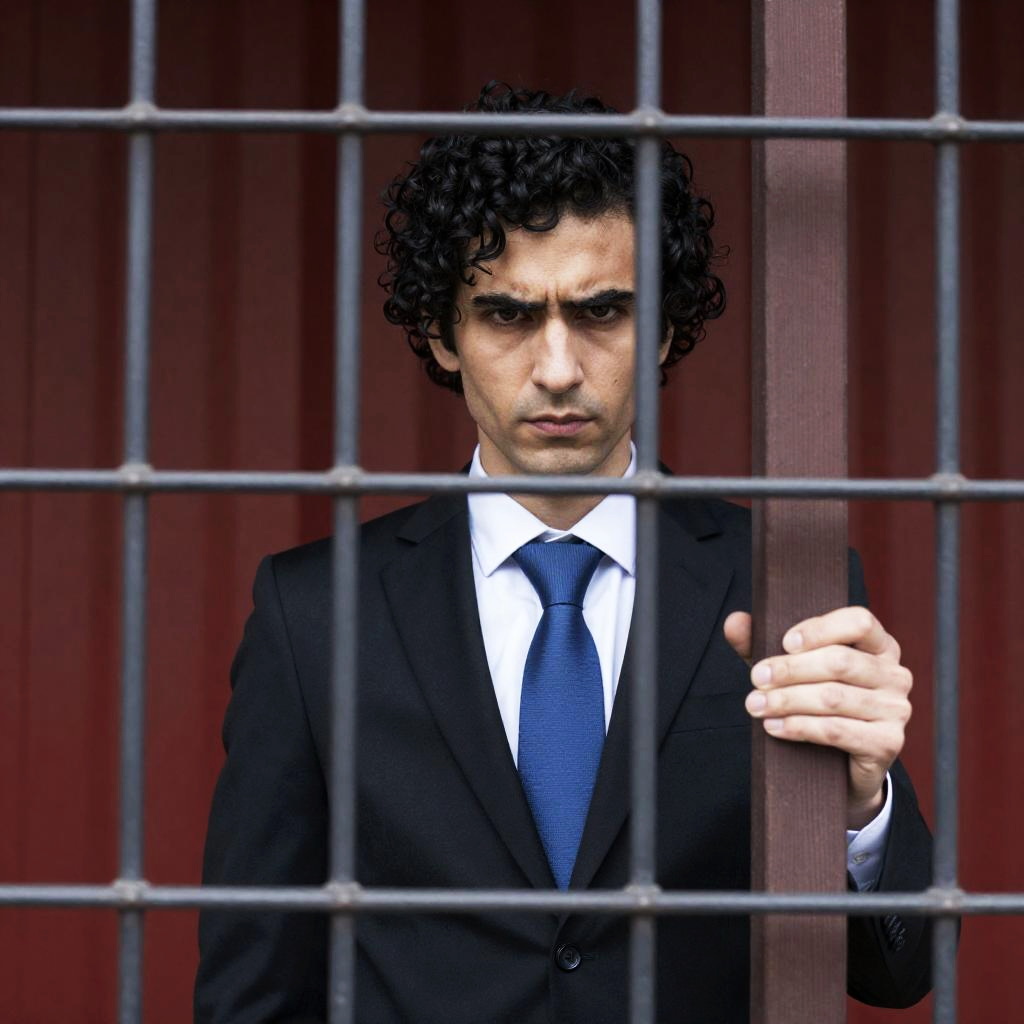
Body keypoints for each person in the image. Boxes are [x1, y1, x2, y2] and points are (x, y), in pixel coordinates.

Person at [194, 83, 932, 1023]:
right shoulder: (313, 614)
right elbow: (253, 987)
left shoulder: (779, 579)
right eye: (507, 316)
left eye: (600, 312)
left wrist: (862, 808)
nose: (556, 369)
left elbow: (899, 973)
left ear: (662, 328)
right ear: (443, 334)